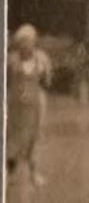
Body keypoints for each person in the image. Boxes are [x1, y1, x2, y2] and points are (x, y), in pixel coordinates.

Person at [6, 24, 52, 186]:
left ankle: (34, 174)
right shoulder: (11, 60)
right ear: (19, 43)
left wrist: (44, 75)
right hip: (16, 104)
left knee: (35, 136)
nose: (27, 45)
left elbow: (47, 81)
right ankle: (8, 173)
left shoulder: (41, 58)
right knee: (13, 137)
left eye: (31, 41)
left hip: (36, 104)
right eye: (23, 41)